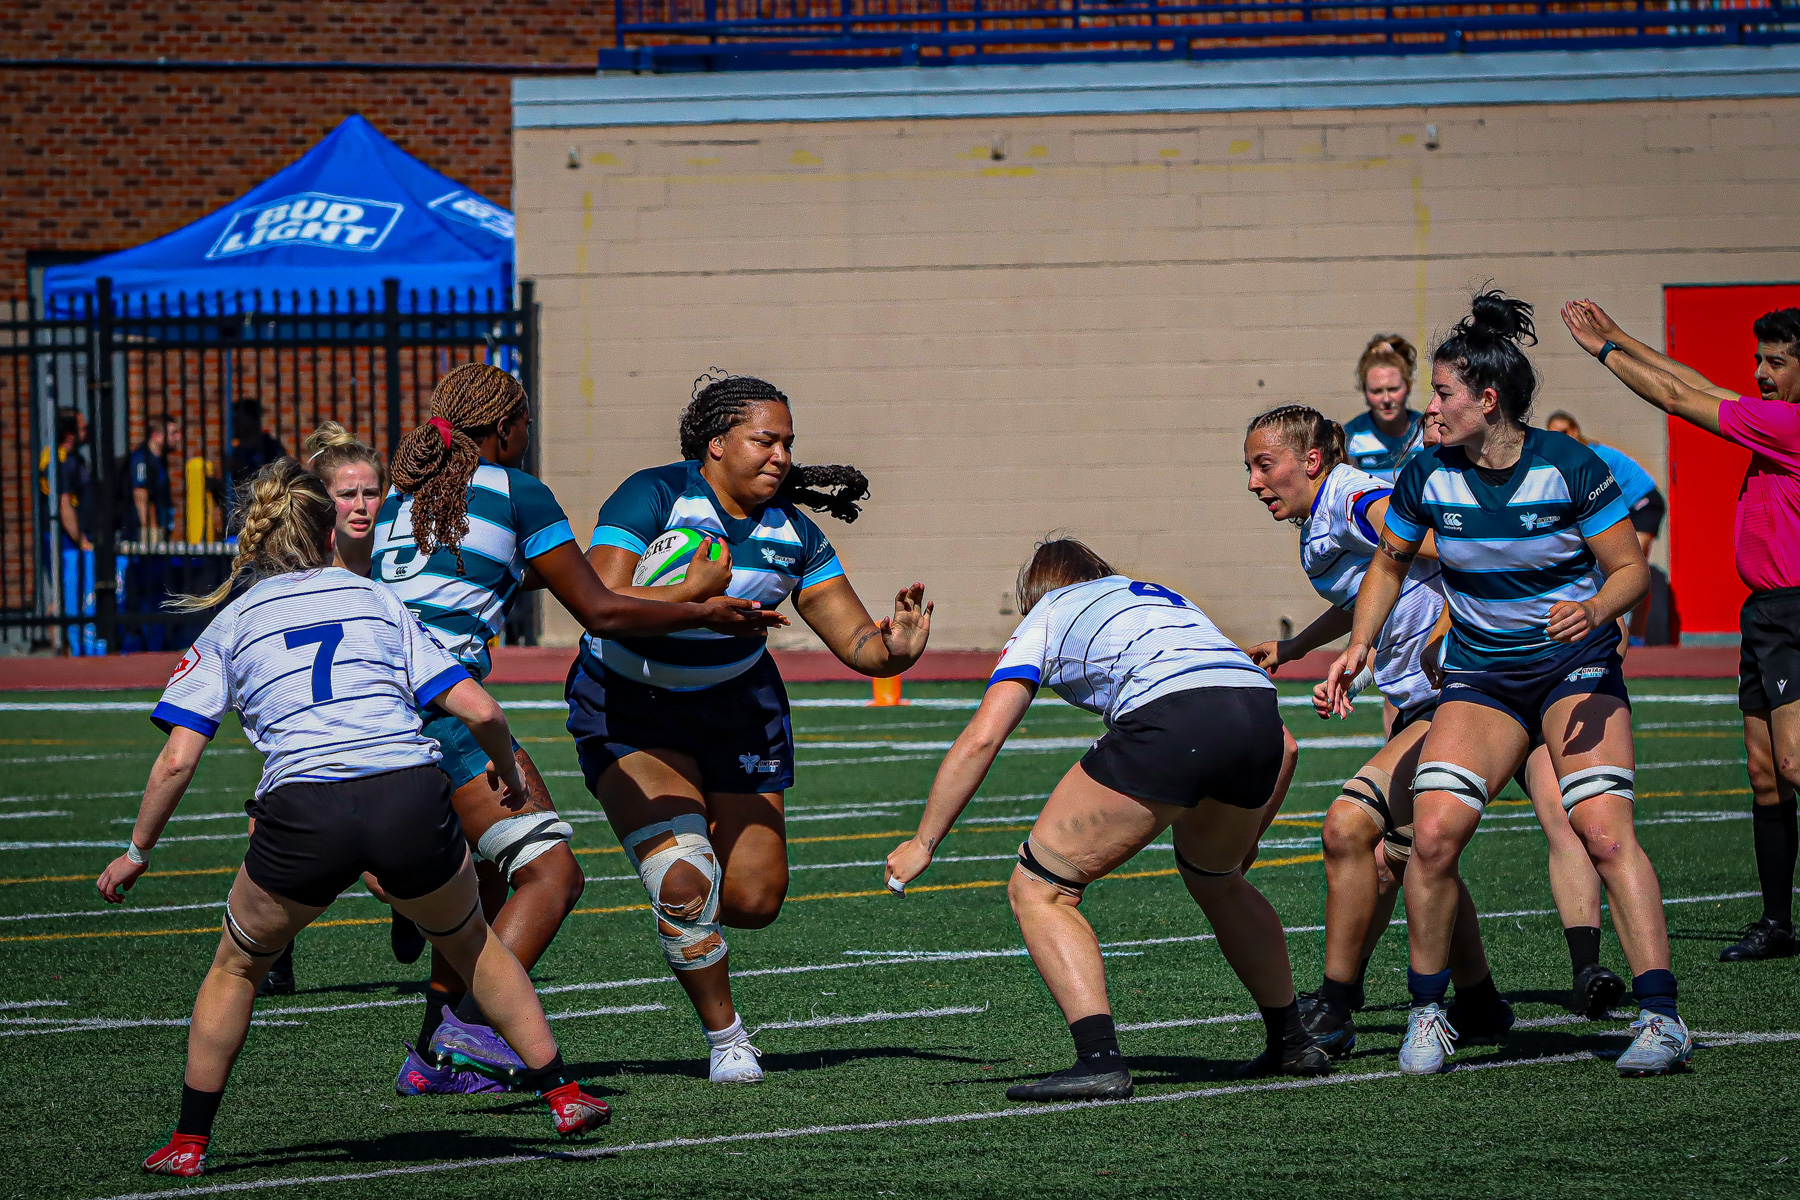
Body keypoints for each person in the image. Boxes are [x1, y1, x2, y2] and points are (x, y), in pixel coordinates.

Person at [96, 459, 611, 1179]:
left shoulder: (235, 621)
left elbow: (178, 760)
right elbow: (482, 709)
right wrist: (503, 768)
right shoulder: (373, 598)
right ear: (326, 527)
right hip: (408, 794)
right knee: (473, 945)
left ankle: (189, 1142)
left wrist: (137, 851)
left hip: (304, 812)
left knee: (238, 967)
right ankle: (562, 1094)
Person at [371, 363, 782, 1097]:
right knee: (553, 874)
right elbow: (598, 608)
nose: (530, 437)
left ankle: (430, 1031)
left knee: (484, 878)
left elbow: (500, 571)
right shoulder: (517, 491)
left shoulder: (405, 501)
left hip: (368, 709)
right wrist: (696, 606)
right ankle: (463, 1030)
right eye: (526, 424)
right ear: (507, 428)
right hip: (440, 707)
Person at [1328, 289, 1688, 1078]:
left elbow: (1631, 571)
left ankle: (1661, 1018)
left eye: (1444, 395)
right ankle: (1430, 1012)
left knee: (1600, 830)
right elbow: (1388, 561)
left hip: (1574, 668)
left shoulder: (1570, 467)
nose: (1430, 410)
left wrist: (1593, 606)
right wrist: (1359, 644)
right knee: (1431, 837)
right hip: (1482, 677)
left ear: (1488, 400)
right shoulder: (1428, 472)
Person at [570, 371, 932, 1084]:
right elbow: (599, 599)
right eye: (765, 440)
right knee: (686, 878)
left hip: (738, 707)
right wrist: (692, 600)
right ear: (716, 443)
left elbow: (857, 642)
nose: (781, 457)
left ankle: (688, 919)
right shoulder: (655, 494)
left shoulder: (795, 533)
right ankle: (729, 1039)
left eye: (787, 444)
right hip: (630, 704)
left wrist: (896, 648)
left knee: (754, 900)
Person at [886, 538, 1318, 1101]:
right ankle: (1291, 1040)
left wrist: (925, 841)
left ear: (1035, 594)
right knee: (1220, 880)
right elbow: (1284, 745)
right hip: (1259, 716)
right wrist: (1247, 836)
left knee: (1040, 888)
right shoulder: (1166, 600)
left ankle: (1098, 1060)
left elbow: (985, 736)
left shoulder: (1049, 612)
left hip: (1174, 720)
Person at [1242, 405, 1519, 1056]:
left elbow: (1433, 541)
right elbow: (1363, 590)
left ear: (1309, 462)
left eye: (1264, 465)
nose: (1254, 482)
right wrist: (1296, 648)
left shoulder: (1349, 496)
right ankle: (1479, 1001)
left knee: (1348, 829)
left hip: (1459, 690)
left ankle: (1336, 1007)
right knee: (1415, 852)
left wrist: (1459, 627)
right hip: (1423, 694)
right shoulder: (1321, 513)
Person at [1563, 298, 1800, 963]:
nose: (1759, 372)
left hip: (1793, 610)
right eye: (1758, 359)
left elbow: (1677, 399)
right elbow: (1696, 384)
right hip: (1765, 615)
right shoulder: (1773, 419)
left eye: (1776, 362)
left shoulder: (1789, 426)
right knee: (1765, 775)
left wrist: (1605, 351)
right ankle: (1777, 924)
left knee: (1793, 763)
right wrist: (1620, 334)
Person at [252, 422, 424, 999]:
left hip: (393, 719)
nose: (360, 505)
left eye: (371, 492)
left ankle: (412, 901)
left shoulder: (402, 560)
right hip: (317, 725)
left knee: (386, 852)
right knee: (267, 818)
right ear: (321, 503)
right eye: (346, 494)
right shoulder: (300, 569)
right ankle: (275, 954)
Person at [1543, 410, 1664, 643]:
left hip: (1644, 503)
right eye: (1553, 435)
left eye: (1563, 432)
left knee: (1626, 569)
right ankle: (1633, 636)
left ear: (1575, 431)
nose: (1560, 438)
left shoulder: (1589, 456)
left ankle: (1631, 636)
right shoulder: (1574, 457)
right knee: (1624, 570)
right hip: (1632, 506)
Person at [120, 415, 183, 652]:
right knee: (141, 589)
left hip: (156, 539)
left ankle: (155, 638)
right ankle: (137, 641)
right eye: (174, 433)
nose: (178, 438)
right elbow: (141, 496)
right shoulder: (142, 459)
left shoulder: (159, 461)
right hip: (142, 540)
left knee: (157, 589)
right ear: (157, 436)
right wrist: (150, 533)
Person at [39, 408, 98, 655]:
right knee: (66, 594)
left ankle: (67, 646)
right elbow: (63, 506)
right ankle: (62, 650)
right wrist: (81, 540)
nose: (87, 432)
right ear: (69, 434)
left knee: (70, 594)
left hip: (71, 539)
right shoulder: (58, 460)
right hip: (64, 540)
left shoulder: (72, 458)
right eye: (82, 427)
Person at [1344, 333, 1426, 482]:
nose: (1386, 399)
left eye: (1393, 389)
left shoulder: (1427, 431)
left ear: (1408, 386)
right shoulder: (1350, 437)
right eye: (1377, 391)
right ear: (1364, 391)